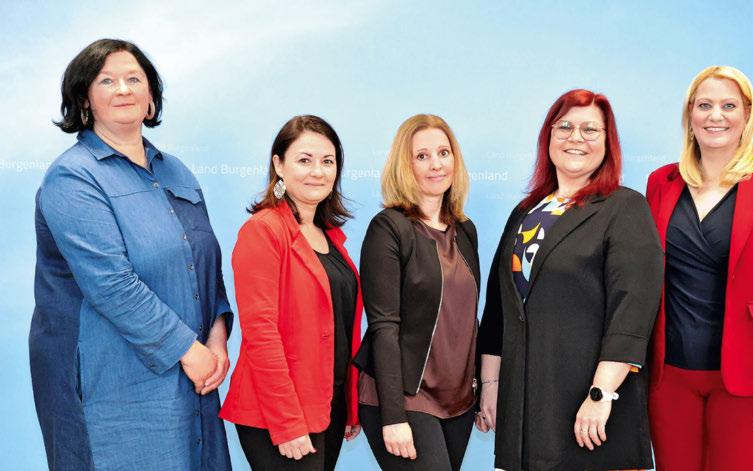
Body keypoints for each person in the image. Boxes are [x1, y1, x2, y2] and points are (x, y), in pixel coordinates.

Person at [31, 39, 233, 470]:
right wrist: (190, 351)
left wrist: (216, 340)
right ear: (84, 99)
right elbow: (111, 283)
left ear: (151, 97)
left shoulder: (177, 171)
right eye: (107, 81)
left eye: (134, 79)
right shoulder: (72, 177)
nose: (123, 89)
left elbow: (205, 266)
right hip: (112, 380)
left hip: (191, 374)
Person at [477, 89, 664, 471]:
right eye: (564, 127)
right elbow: (499, 309)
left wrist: (601, 394)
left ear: (607, 142)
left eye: (590, 129)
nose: (575, 138)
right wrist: (491, 386)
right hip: (525, 411)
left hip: (591, 409)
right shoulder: (526, 211)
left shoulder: (624, 207)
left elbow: (632, 311)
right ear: (548, 136)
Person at [645, 66, 753, 470]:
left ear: (747, 115)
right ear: (690, 114)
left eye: (728, 106)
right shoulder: (661, 181)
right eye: (704, 105)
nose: (715, 116)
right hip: (669, 378)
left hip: (748, 379)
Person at [219, 115, 363, 470]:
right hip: (279, 413)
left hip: (327, 405)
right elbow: (261, 333)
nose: (318, 171)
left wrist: (348, 404)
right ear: (279, 166)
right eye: (304, 160)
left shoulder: (330, 237)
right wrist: (286, 422)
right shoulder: (263, 230)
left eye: (327, 161)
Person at [352, 114, 480, 470]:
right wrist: (394, 416)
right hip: (405, 398)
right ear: (404, 166)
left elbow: (467, 318)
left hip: (458, 401)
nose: (436, 164)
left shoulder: (465, 230)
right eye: (422, 156)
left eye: (443, 153)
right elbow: (384, 326)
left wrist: (481, 390)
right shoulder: (389, 228)